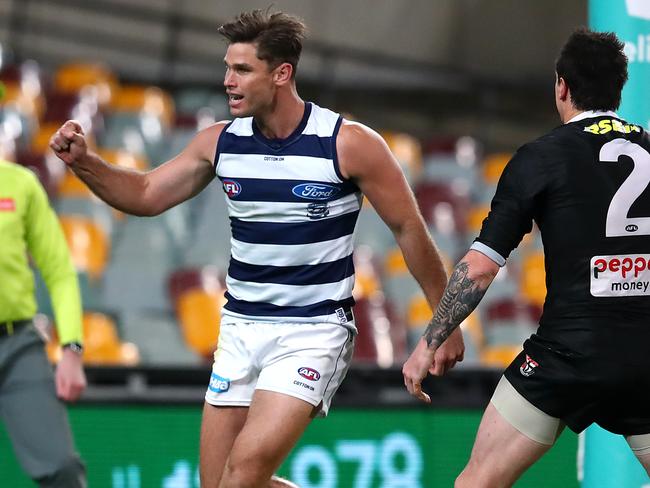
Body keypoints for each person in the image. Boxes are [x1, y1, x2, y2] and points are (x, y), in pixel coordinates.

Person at [49, 8, 464, 488]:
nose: (228, 80)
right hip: (240, 329)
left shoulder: (348, 143)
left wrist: (444, 318)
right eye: (227, 67)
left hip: (313, 331)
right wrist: (85, 164)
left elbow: (409, 229)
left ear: (282, 73)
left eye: (242, 69)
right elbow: (144, 194)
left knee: (244, 473)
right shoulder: (220, 143)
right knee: (220, 484)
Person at [403, 27, 650, 486]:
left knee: (476, 483)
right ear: (619, 88)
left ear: (561, 85)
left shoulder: (540, 157)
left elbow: (480, 267)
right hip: (645, 356)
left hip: (566, 356)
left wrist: (428, 344)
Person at [0, 158, 87, 485]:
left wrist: (72, 348)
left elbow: (60, 270)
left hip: (17, 344)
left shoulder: (20, 184)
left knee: (62, 469)